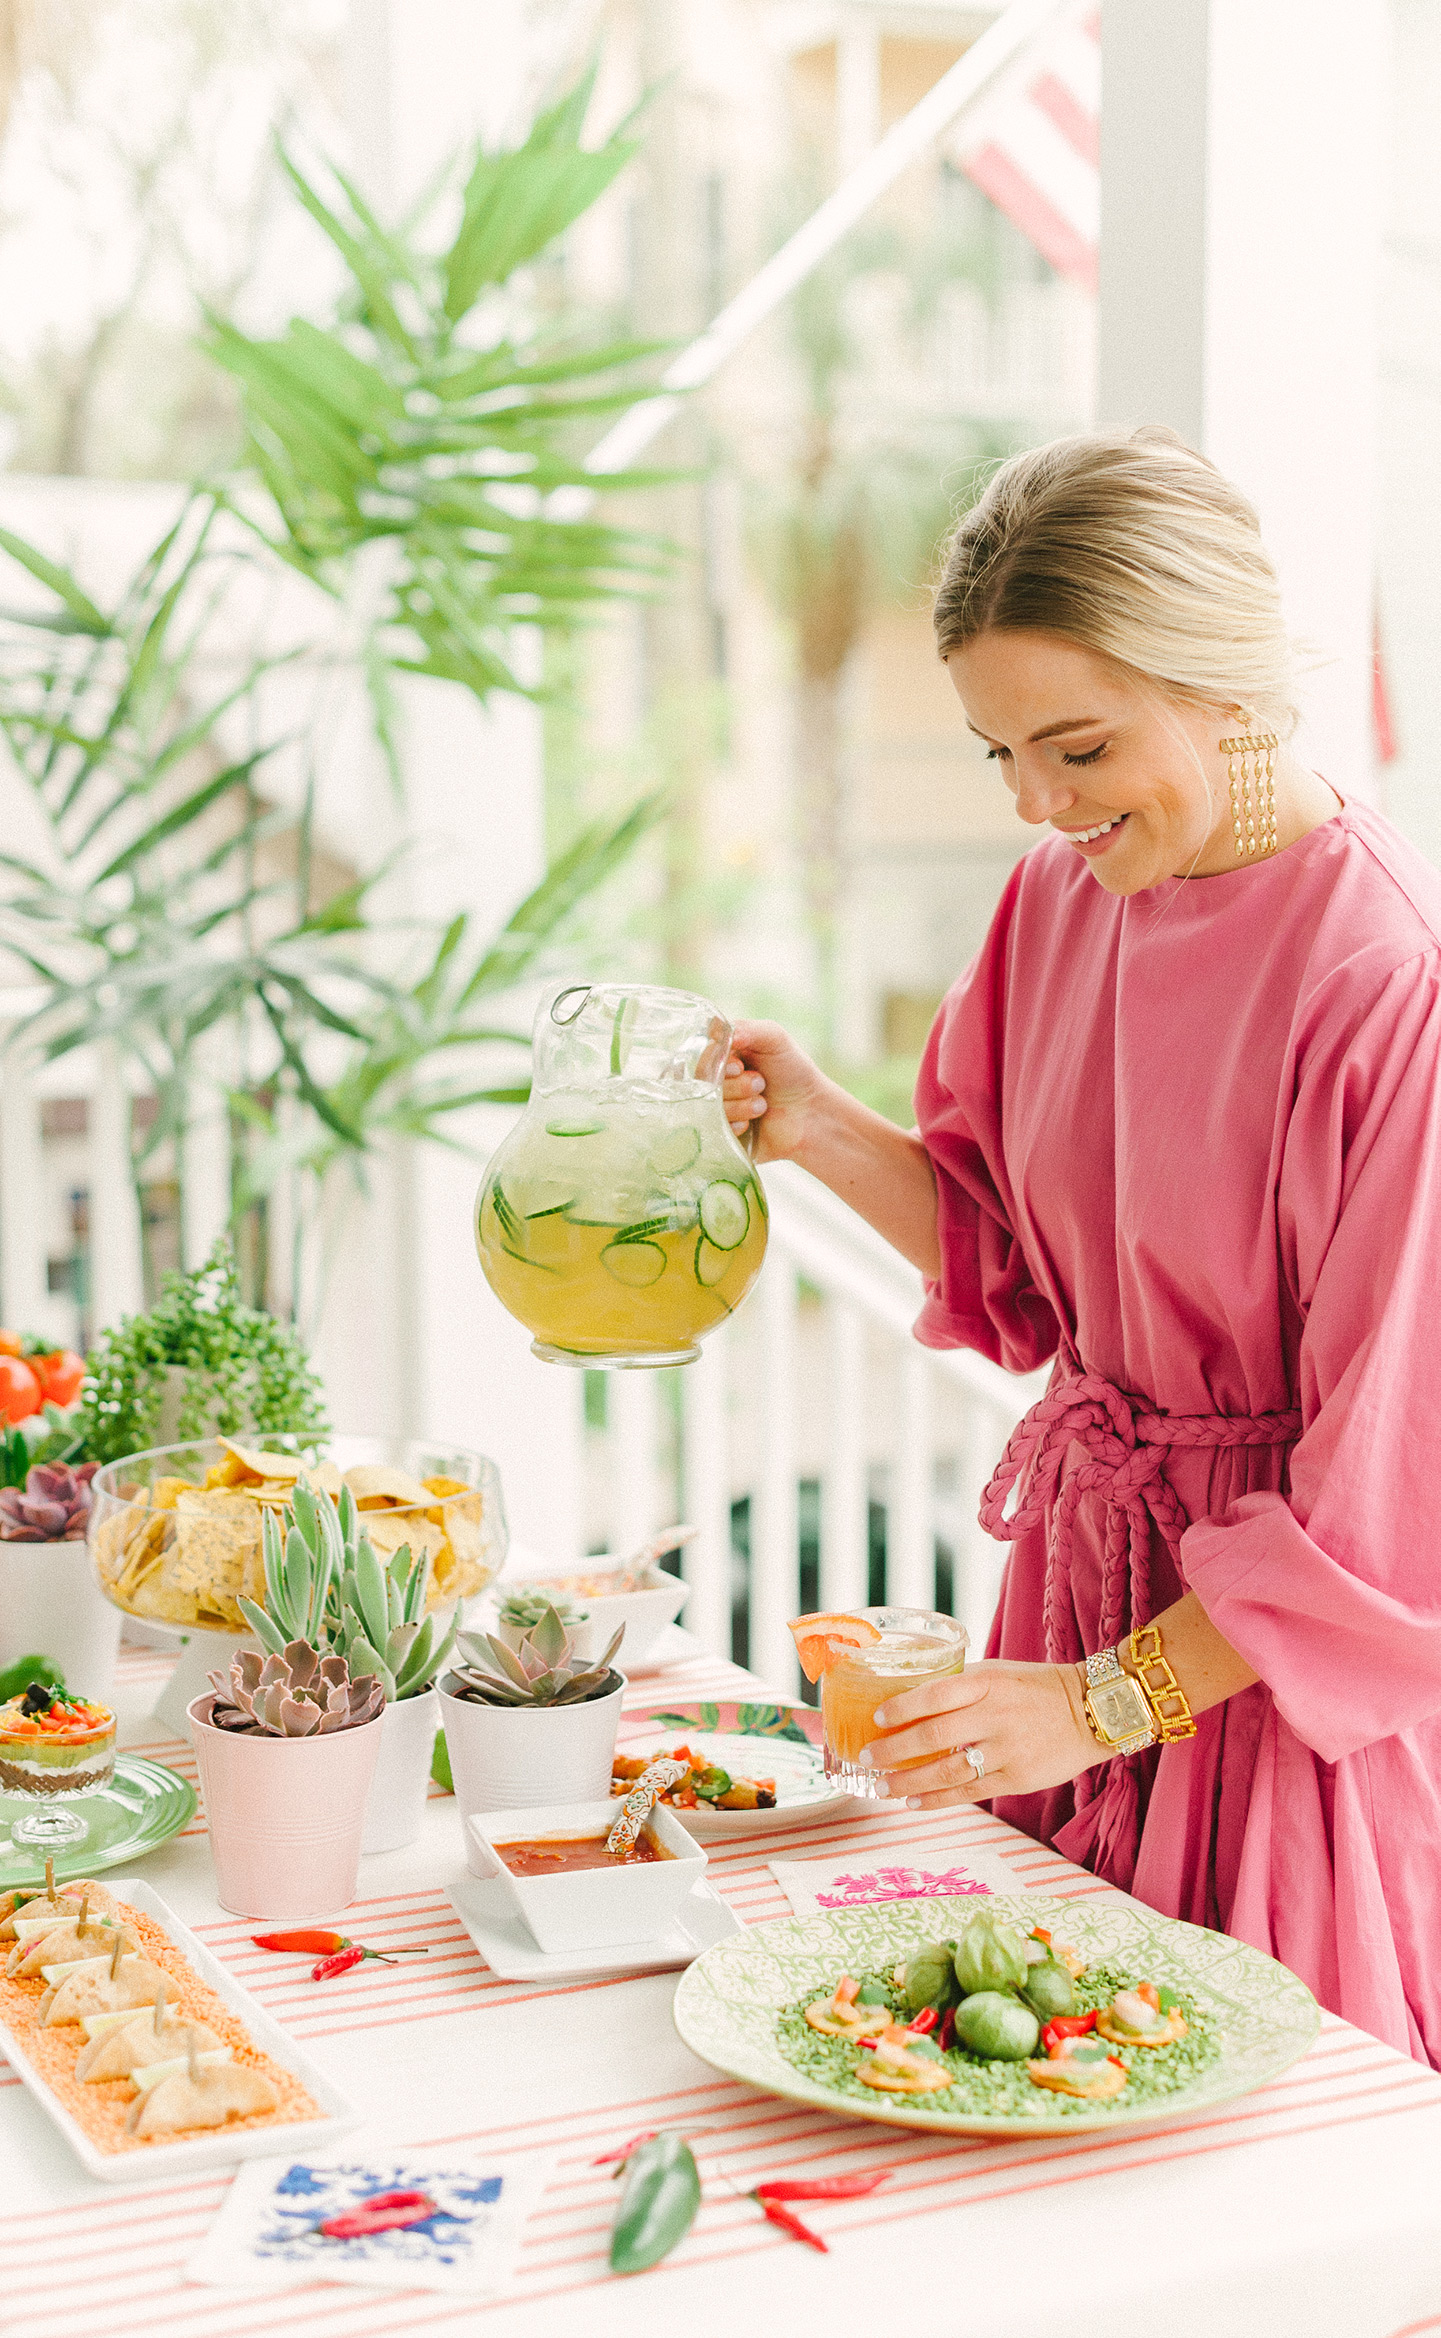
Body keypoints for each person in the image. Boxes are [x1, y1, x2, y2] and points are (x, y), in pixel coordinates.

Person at [724, 427, 1441, 2068]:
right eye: (998, 756)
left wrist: (1098, 1701)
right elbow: (1021, 1267)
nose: (1041, 805)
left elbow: (1394, 1515)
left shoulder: (1385, 984)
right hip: (1071, 1625)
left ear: (1225, 687)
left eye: (1080, 745)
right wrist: (820, 1125)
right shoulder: (1059, 903)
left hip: (1261, 1702)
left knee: (1239, 2179)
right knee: (1013, 2095)